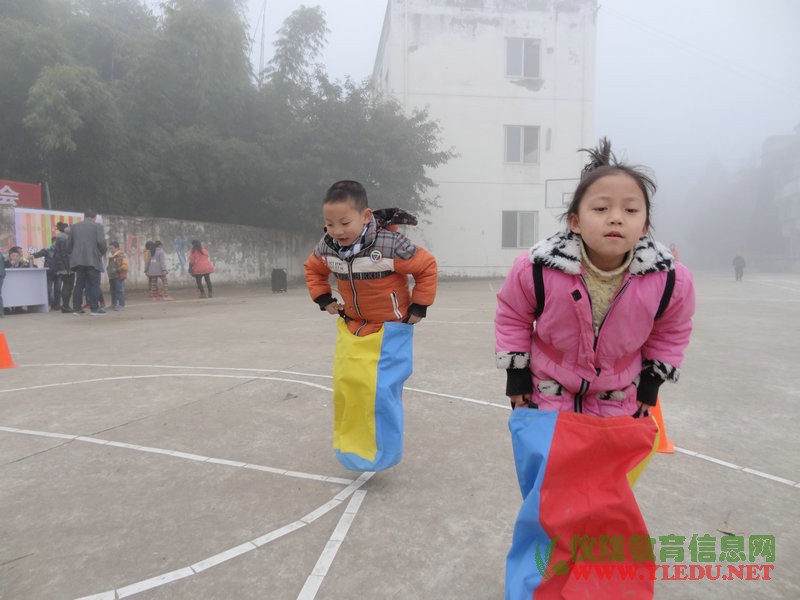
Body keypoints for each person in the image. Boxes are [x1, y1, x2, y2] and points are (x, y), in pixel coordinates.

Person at [495, 138, 695, 416]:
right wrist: (516, 375)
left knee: (612, 461)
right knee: (550, 459)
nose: (616, 218)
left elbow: (670, 331)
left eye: (631, 210)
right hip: (547, 394)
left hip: (620, 397)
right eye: (601, 209)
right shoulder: (537, 268)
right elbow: (513, 317)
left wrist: (652, 381)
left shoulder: (669, 280)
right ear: (575, 221)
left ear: (644, 226)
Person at [304, 180, 438, 335]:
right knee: (347, 361)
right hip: (352, 326)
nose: (337, 231)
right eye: (330, 224)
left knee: (387, 361)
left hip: (392, 327)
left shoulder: (390, 245)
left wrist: (420, 306)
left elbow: (426, 266)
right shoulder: (327, 247)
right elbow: (313, 269)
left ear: (366, 216)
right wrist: (324, 299)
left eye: (345, 223)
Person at [67, 209, 107, 316]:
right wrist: (101, 253)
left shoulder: (74, 227)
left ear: (84, 216)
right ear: (94, 217)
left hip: (78, 261)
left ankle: (76, 308)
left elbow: (68, 245)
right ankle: (94, 308)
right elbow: (101, 242)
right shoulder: (98, 226)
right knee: (94, 284)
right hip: (93, 260)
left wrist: (75, 255)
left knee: (79, 284)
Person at [32, 237, 60, 310]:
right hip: (49, 273)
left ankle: (57, 305)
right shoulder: (47, 250)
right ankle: (49, 304)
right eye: (57, 242)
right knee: (48, 290)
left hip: (59, 273)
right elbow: (39, 254)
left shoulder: (62, 250)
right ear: (53, 242)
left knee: (58, 290)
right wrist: (33, 255)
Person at [54, 222, 74, 313]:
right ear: (65, 229)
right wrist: (68, 268)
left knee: (66, 285)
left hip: (63, 266)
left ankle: (65, 305)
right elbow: (65, 254)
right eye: (68, 227)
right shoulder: (63, 238)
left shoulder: (60, 238)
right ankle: (65, 306)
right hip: (66, 267)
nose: (70, 229)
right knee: (68, 286)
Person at [106, 240, 128, 311]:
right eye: (109, 248)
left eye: (112, 248)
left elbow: (125, 265)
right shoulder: (110, 256)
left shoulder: (121, 255)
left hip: (118, 276)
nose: (110, 250)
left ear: (117, 248)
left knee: (119, 291)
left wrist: (118, 270)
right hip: (111, 277)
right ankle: (113, 304)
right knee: (112, 291)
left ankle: (121, 305)